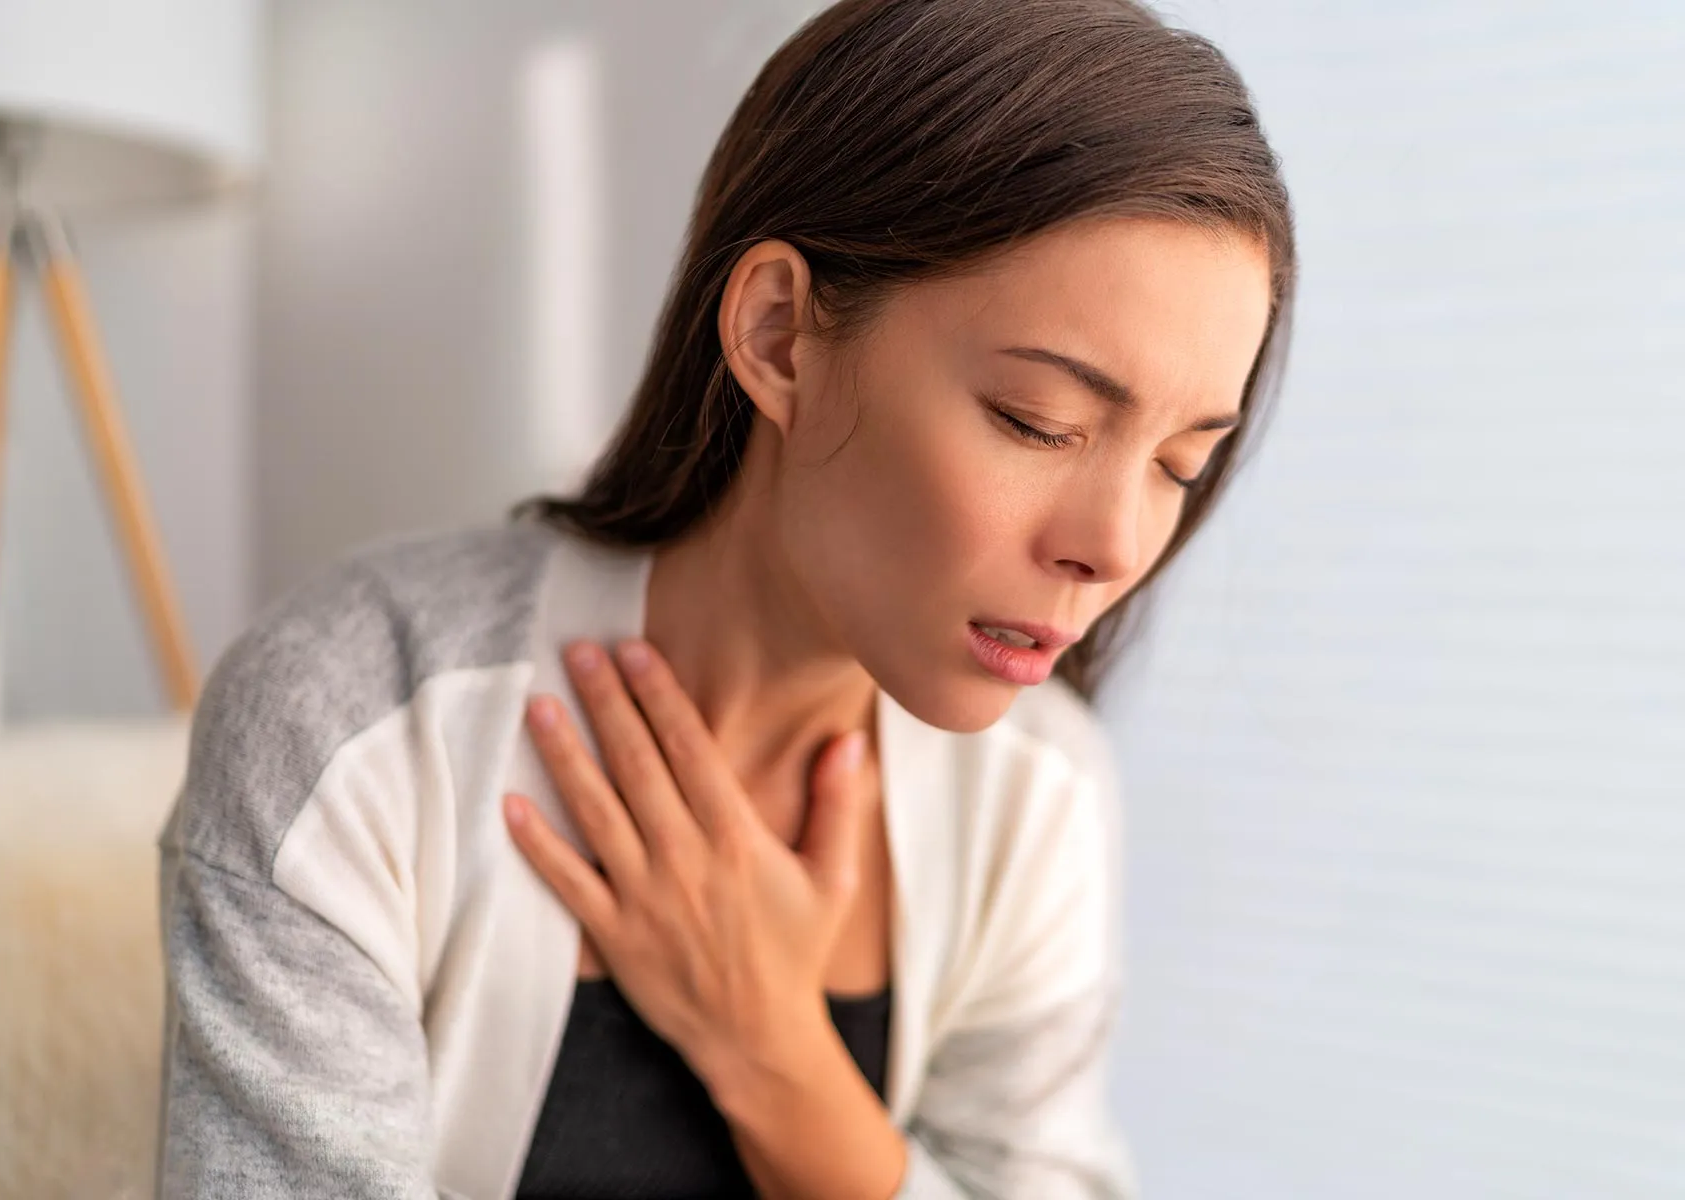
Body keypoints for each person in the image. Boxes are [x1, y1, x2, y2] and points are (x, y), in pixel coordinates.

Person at [154, 0, 1295, 1195]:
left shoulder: (1037, 795)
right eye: (1038, 422)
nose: (1116, 547)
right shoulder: (354, 729)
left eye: (1181, 466)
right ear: (778, 334)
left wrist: (779, 1062)